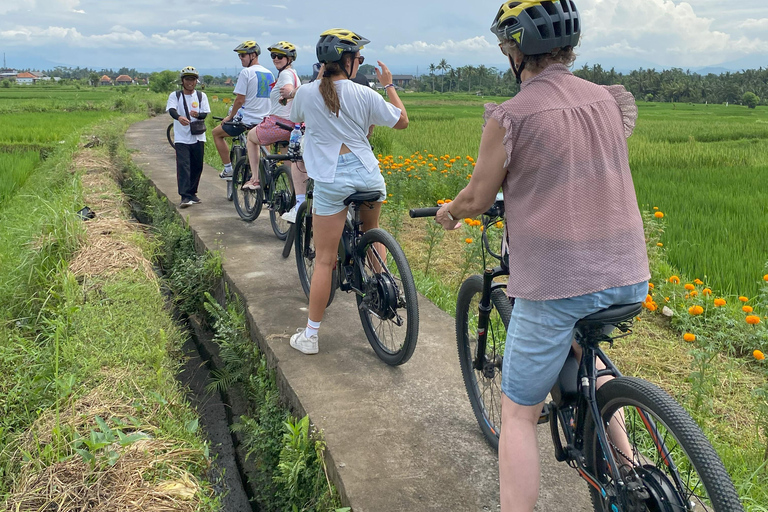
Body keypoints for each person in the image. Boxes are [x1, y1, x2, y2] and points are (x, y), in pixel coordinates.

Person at [433, 1, 650, 511]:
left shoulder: (512, 116)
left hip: (558, 282)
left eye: (506, 45)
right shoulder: (606, 101)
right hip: (627, 272)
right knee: (586, 351)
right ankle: (633, 466)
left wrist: (450, 212)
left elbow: (479, 197)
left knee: (517, 414)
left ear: (517, 50)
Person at [287, 29, 408, 355]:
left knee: (324, 260)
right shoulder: (364, 93)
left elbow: (295, 117)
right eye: (360, 58)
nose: (361, 63)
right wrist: (389, 85)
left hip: (331, 180)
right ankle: (384, 287)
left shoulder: (308, 93)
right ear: (348, 62)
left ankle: (311, 336)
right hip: (369, 177)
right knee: (371, 233)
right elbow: (402, 121)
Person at [242, 42, 304, 214]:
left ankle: (255, 179)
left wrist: (289, 93)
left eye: (280, 56)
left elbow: (290, 89)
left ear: (289, 59)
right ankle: (295, 199)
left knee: (251, 138)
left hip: (278, 123)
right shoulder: (293, 73)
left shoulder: (285, 74)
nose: (276, 59)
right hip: (293, 127)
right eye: (273, 56)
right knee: (289, 165)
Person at [212, 40, 274, 179]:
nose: (240, 58)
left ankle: (228, 169)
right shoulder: (270, 73)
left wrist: (230, 117)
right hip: (265, 119)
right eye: (239, 55)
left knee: (216, 133)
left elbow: (240, 100)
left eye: (243, 55)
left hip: (248, 119)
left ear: (253, 55)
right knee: (263, 142)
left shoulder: (246, 72)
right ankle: (267, 169)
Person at [166, 66, 211, 208]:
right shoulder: (175, 95)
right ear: (182, 81)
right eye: (187, 79)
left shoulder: (201, 96)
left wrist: (197, 115)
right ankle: (184, 196)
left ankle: (193, 193)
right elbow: (171, 110)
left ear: (196, 81)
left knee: (197, 166)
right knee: (183, 166)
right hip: (181, 137)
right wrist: (179, 117)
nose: (190, 82)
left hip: (198, 136)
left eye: (193, 79)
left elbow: (205, 113)